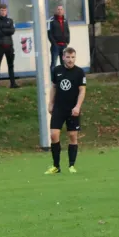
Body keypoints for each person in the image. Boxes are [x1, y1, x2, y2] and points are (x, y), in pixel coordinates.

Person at [45, 47, 86, 175]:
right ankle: (56, 166)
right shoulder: (56, 70)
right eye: (68, 57)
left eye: (72, 57)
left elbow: (82, 91)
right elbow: (54, 88)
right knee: (54, 135)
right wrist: (50, 103)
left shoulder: (79, 72)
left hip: (72, 109)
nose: (70, 60)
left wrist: (78, 106)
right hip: (59, 108)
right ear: (63, 57)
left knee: (73, 136)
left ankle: (71, 165)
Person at [0, 4, 19, 89]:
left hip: (9, 45)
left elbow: (12, 31)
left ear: (6, 11)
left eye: (4, 10)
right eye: (1, 10)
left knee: (10, 65)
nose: (3, 12)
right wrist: (7, 30)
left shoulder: (10, 20)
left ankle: (13, 83)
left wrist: (3, 29)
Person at [48, 5, 70, 71]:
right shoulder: (51, 20)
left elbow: (67, 31)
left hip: (64, 45)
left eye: (61, 9)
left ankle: (63, 78)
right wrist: (54, 43)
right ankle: (52, 79)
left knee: (64, 63)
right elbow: (49, 33)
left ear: (63, 11)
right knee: (53, 63)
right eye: (58, 9)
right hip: (55, 46)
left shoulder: (65, 20)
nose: (60, 11)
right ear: (56, 11)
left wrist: (67, 41)